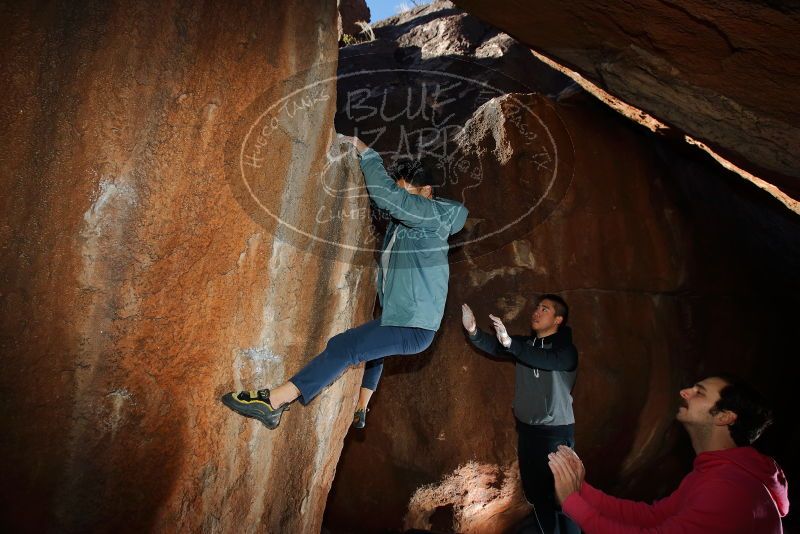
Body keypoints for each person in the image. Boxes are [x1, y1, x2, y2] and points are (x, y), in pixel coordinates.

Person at [222, 135, 468, 430]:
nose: (402, 200)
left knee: (345, 347)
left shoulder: (435, 215)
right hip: (405, 320)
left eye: (408, 192)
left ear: (427, 191)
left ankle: (273, 402)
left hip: (413, 325)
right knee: (364, 348)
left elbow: (387, 196)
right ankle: (350, 405)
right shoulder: (408, 227)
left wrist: (366, 152)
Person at [548, 375, 790, 533]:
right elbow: (653, 517)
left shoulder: (729, 489)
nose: (685, 392)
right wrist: (581, 488)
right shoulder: (716, 473)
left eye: (700, 393)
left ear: (725, 417)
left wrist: (572, 502)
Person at [462, 295, 580, 534]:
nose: (536, 311)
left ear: (558, 319)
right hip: (527, 433)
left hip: (554, 434)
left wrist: (511, 345)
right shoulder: (525, 345)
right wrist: (474, 331)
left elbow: (545, 359)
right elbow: (496, 346)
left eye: (544, 309)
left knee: (563, 498)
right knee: (537, 496)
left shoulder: (566, 351)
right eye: (536, 307)